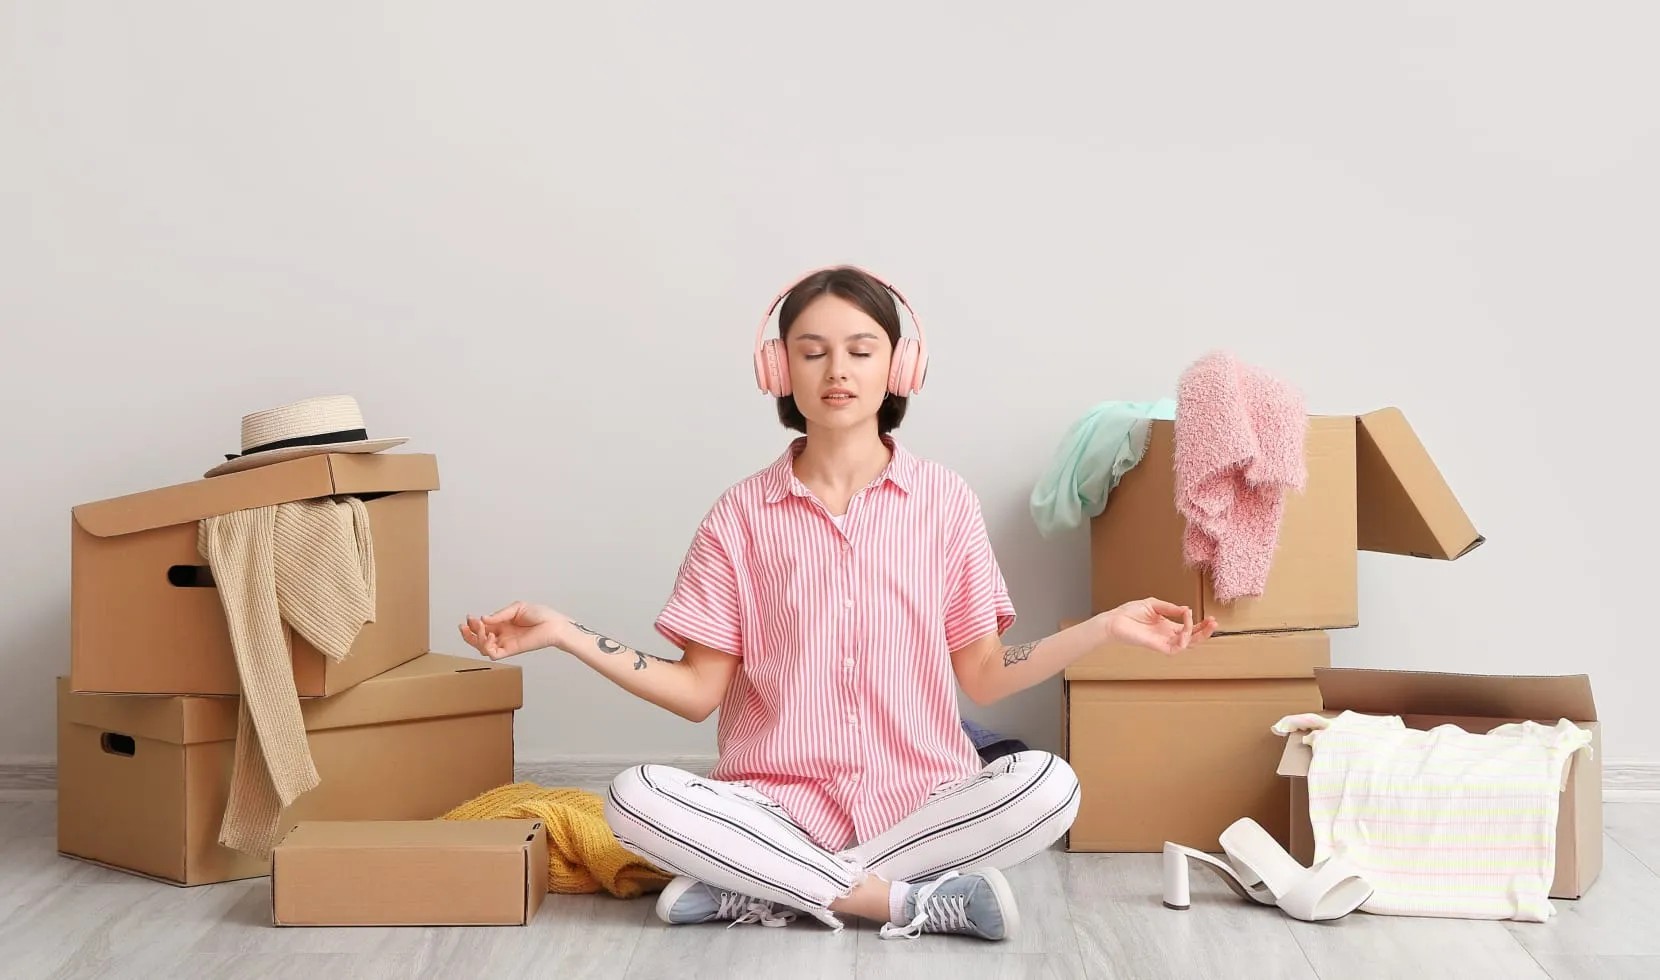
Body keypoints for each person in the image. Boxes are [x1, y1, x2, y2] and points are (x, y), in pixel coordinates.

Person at [457, 265, 1217, 941]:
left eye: (860, 349)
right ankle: (895, 902)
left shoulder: (944, 503)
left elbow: (982, 675)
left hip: (922, 800)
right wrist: (564, 632)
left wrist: (1105, 627)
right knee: (632, 796)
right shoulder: (740, 516)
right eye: (812, 351)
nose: (837, 371)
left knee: (1052, 786)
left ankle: (769, 889)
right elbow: (696, 694)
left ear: (900, 367)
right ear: (778, 368)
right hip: (774, 806)